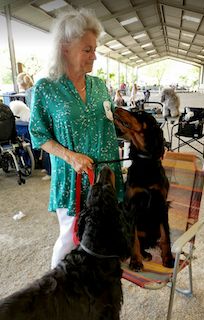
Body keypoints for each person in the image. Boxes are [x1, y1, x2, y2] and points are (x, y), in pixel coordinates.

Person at [29, 9, 124, 269]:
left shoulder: (100, 85)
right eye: (87, 50)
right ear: (65, 49)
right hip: (73, 177)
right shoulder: (46, 88)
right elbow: (39, 135)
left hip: (106, 174)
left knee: (102, 239)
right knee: (69, 239)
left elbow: (113, 121)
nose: (94, 56)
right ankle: (56, 295)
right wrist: (70, 157)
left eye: (95, 49)